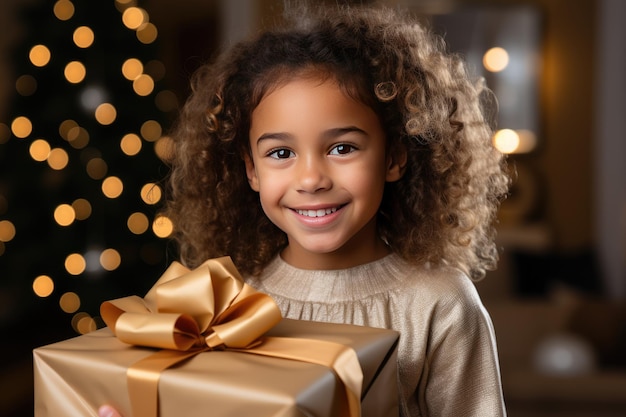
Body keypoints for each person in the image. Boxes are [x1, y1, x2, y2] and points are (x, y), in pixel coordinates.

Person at [99, 2, 510, 416]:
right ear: (251, 170)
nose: (311, 179)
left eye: (342, 148)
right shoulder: (227, 303)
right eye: (281, 152)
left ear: (393, 157)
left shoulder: (441, 305)